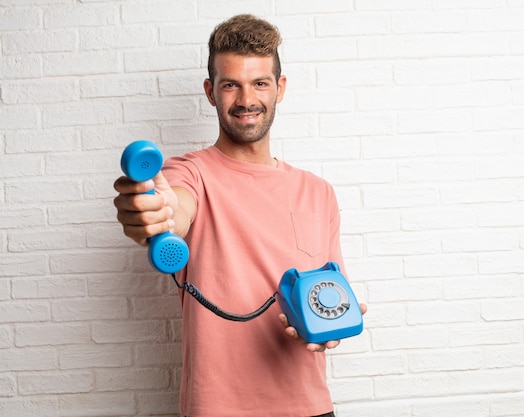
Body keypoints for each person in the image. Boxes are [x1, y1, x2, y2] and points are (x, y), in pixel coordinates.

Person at [113, 14, 366, 417]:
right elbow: (174, 211)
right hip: (218, 409)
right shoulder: (188, 172)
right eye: (231, 85)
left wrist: (330, 329)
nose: (247, 99)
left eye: (259, 83)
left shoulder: (319, 192)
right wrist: (155, 215)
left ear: (279, 89)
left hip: (311, 406)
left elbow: (330, 292)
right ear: (211, 92)